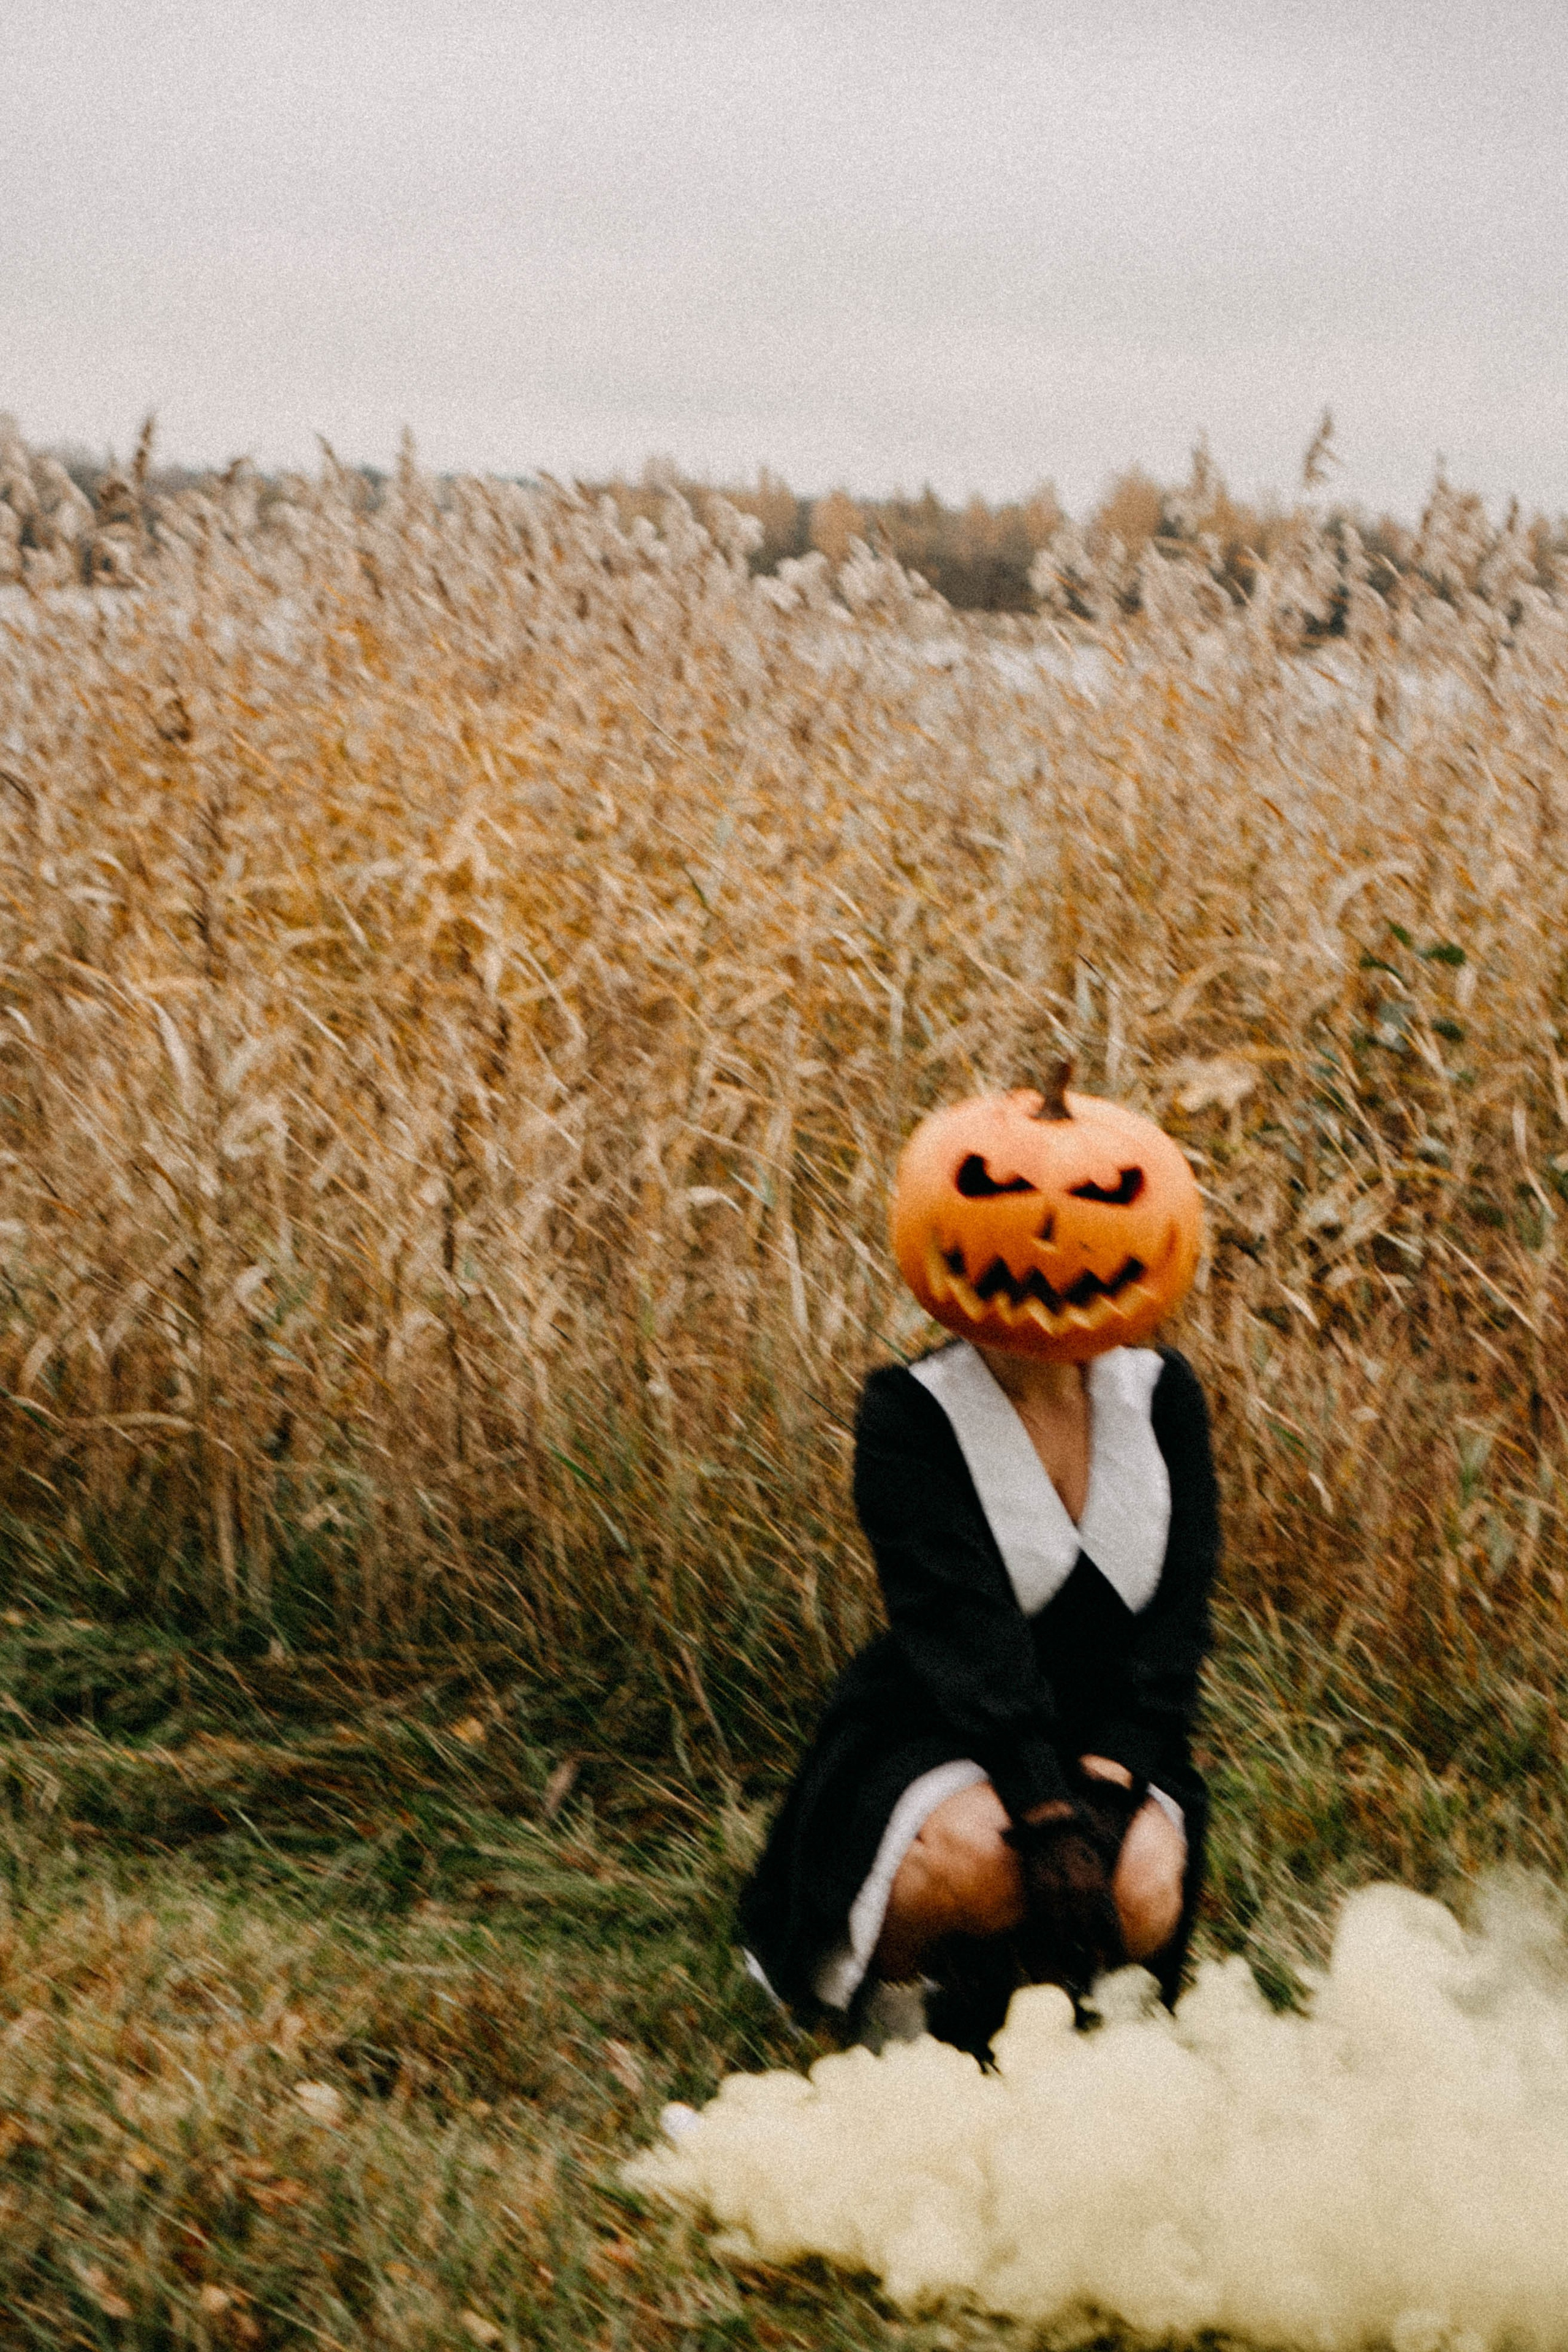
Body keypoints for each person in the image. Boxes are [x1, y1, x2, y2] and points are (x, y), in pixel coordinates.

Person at [737, 1078, 1219, 2058]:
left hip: (1110, 1736)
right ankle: (890, 2011)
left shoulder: (1165, 1399)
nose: (1048, 1245)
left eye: (1100, 1205)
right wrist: (1047, 1813)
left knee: (1140, 1890)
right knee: (986, 1867)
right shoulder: (909, 1418)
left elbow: (1176, 1631)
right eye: (996, 1194)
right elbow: (969, 1643)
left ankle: (1029, 2000)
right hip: (938, 1722)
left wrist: (1112, 1785)